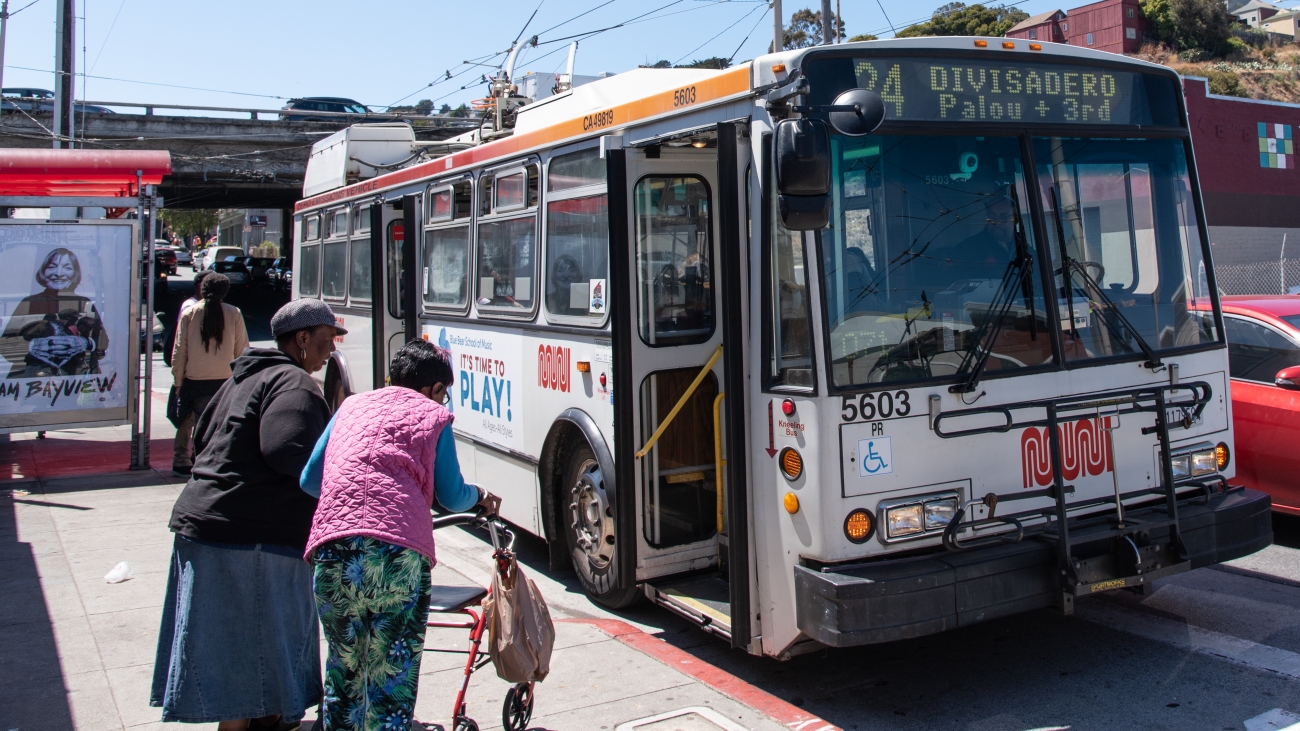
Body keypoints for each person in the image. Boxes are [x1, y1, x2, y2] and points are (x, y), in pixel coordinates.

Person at [151, 299, 346, 731]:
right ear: (301, 339)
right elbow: (286, 450)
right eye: (327, 339)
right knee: (256, 673)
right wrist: (337, 487)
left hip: (208, 529)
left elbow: (201, 440)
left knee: (246, 673)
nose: (331, 350)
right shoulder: (295, 383)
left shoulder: (241, 379)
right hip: (249, 540)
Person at [299, 340, 500, 731]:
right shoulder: (432, 417)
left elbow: (310, 480)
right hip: (396, 557)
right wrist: (482, 497)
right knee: (390, 676)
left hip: (332, 553)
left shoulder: (350, 406)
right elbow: (452, 495)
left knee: (345, 672)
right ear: (435, 390)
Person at [169, 273, 247, 476]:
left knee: (186, 422)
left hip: (194, 380)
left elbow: (180, 351)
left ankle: (181, 459)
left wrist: (178, 381)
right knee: (217, 424)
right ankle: (206, 459)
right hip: (224, 380)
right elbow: (241, 350)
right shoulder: (234, 313)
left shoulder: (190, 314)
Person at [0, 247, 108, 378]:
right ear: (43, 272)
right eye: (52, 266)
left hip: (73, 377)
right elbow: (5, 345)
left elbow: (103, 343)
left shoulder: (83, 302)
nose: (59, 273)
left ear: (75, 274)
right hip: (34, 378)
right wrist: (33, 346)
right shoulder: (29, 302)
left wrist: (84, 342)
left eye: (67, 268)